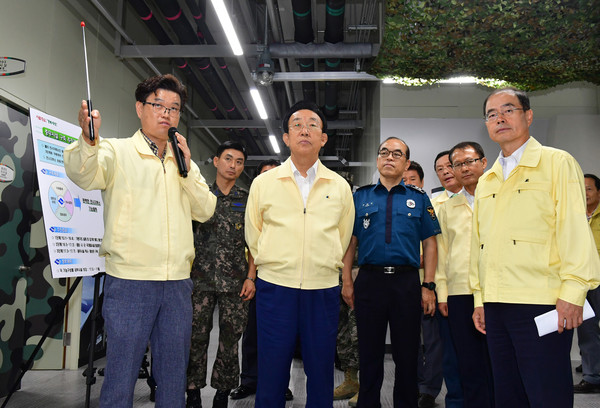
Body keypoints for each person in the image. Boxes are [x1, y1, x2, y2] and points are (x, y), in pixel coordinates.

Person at [63, 74, 217, 408]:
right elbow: (84, 174)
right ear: (139, 108)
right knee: (121, 375)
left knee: (173, 377)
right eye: (158, 104)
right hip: (130, 282)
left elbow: (205, 210)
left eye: (174, 108)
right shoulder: (115, 151)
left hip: (177, 284)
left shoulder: (183, 160)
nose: (167, 113)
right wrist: (88, 142)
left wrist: (187, 171)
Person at [470, 87, 600, 407]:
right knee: (508, 396)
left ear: (528, 116)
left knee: (546, 395)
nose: (499, 118)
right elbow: (479, 245)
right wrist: (479, 298)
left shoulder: (557, 163)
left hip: (542, 303)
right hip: (496, 304)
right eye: (491, 114)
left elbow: (573, 228)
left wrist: (573, 292)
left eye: (508, 109)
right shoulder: (487, 181)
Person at [245, 100, 355, 408]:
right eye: (297, 125)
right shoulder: (264, 183)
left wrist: (324, 263)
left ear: (323, 138)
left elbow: (343, 235)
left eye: (313, 125)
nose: (304, 129)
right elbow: (254, 234)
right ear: (286, 138)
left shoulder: (339, 185)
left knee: (320, 369)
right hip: (275, 287)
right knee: (272, 368)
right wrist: (275, 262)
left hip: (322, 290)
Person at [342, 137, 440, 408]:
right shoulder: (360, 197)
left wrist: (428, 285)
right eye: (384, 152)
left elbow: (430, 243)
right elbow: (351, 241)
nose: (389, 157)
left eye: (397, 154)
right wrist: (348, 280)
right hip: (369, 281)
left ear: (406, 163)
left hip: (406, 283)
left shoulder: (419, 199)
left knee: (407, 354)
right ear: (377, 159)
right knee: (369, 353)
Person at [186, 141, 255, 408]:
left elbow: (254, 244)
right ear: (216, 161)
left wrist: (251, 277)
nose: (233, 166)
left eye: (239, 162)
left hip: (235, 283)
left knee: (230, 340)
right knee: (196, 337)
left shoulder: (246, 201)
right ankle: (192, 392)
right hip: (199, 280)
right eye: (228, 159)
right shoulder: (200, 195)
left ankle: (222, 393)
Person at [230, 159, 294, 402]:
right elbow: (249, 241)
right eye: (264, 174)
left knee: (282, 336)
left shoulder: (288, 206)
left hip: (280, 278)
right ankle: (248, 380)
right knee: (252, 333)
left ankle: (281, 383)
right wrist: (251, 276)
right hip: (252, 277)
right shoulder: (252, 202)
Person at [436, 142, 494, 407]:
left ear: (483, 162)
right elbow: (442, 253)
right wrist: (442, 293)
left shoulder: (498, 198)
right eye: (457, 164)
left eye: (469, 161)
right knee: (468, 362)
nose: (464, 168)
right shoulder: (448, 208)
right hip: (460, 293)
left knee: (499, 359)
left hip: (496, 290)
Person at [403, 161, 443, 408]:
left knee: (432, 341)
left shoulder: (428, 208)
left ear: (422, 183)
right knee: (408, 341)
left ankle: (429, 390)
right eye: (404, 180)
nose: (408, 184)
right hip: (404, 286)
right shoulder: (396, 206)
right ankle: (415, 383)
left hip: (428, 284)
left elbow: (435, 246)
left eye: (413, 180)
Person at [431, 151, 464, 408]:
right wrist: (439, 292)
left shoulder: (483, 198)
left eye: (449, 166)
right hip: (451, 291)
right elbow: (438, 254)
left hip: (486, 292)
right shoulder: (434, 204)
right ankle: (456, 401)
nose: (445, 171)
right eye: (439, 169)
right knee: (452, 355)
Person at [574, 173, 600, 393]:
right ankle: (592, 376)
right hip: (583, 280)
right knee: (587, 329)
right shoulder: (572, 214)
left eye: (589, 189)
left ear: (599, 192)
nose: (585, 193)